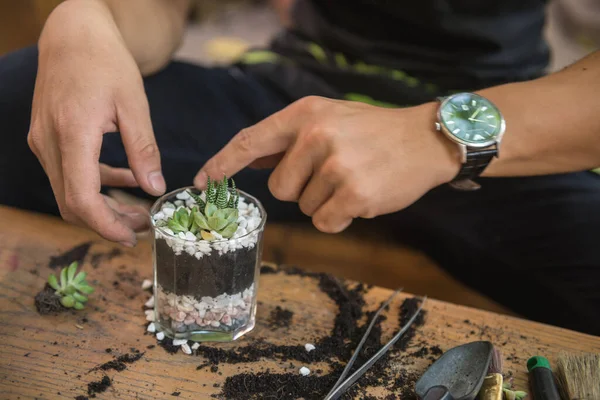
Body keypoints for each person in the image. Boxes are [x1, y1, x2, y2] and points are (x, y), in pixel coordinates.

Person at [0, 0, 598, 335]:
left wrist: (434, 136)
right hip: (295, 101)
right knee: (20, 99)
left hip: (494, 126)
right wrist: (83, 21)